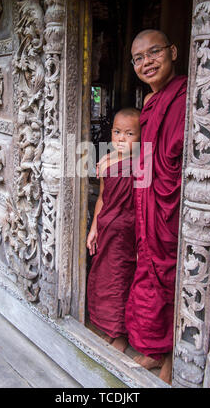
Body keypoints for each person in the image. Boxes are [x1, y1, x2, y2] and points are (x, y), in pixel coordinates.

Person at [125, 29, 188, 384]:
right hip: (149, 199)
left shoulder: (186, 94)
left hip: (173, 203)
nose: (147, 62)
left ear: (173, 52)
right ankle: (155, 350)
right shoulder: (148, 104)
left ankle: (174, 356)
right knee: (148, 272)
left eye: (154, 53)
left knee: (173, 276)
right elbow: (143, 154)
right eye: (138, 58)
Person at [87, 108, 141, 353]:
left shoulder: (143, 163)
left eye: (129, 134)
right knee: (103, 279)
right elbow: (101, 198)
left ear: (141, 138)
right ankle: (106, 327)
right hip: (107, 229)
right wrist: (93, 228)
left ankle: (119, 334)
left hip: (127, 235)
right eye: (117, 132)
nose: (121, 138)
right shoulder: (105, 162)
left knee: (121, 282)